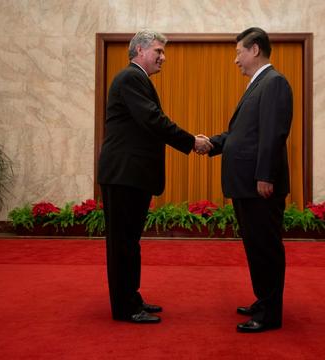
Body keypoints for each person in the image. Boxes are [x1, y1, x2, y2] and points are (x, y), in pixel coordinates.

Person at [98, 30, 212, 324]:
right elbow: (153, 120)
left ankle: (131, 297)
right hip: (124, 175)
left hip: (131, 175)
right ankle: (124, 308)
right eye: (158, 51)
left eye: (163, 52)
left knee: (130, 242)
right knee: (122, 243)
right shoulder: (131, 78)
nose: (163, 57)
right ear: (139, 50)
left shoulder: (137, 79)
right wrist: (191, 142)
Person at [207, 27, 293, 333]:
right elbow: (242, 135)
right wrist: (213, 144)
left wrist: (265, 176)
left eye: (238, 52)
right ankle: (263, 300)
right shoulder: (259, 85)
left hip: (260, 185)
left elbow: (273, 133)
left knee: (266, 247)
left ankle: (270, 314)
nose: (236, 60)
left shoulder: (274, 83)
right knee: (255, 247)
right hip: (247, 185)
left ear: (254, 50)